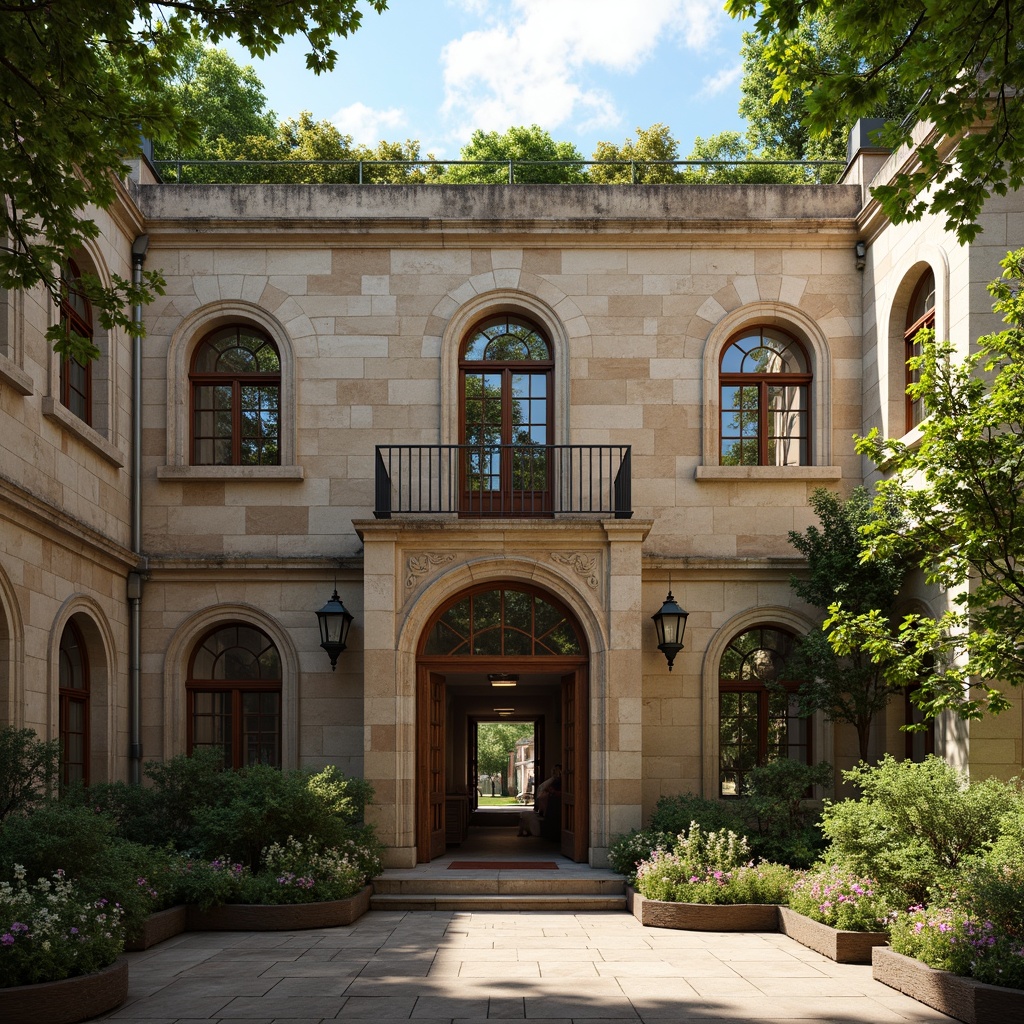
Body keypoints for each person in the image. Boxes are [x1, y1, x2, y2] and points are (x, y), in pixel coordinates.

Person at [516, 764, 561, 837]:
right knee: (524, 815)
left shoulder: (554, 785)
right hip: (544, 808)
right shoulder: (550, 783)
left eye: (555, 771)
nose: (553, 772)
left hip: (547, 811)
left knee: (525, 816)